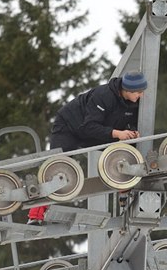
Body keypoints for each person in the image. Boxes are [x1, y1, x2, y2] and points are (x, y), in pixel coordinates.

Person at [27, 70, 147, 225]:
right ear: (128, 90)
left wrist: (131, 131)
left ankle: (124, 189)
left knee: (124, 151)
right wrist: (117, 133)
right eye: (138, 92)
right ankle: (35, 215)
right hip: (69, 127)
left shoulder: (135, 104)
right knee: (57, 167)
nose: (141, 96)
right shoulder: (104, 96)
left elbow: (128, 123)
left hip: (96, 133)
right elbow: (88, 126)